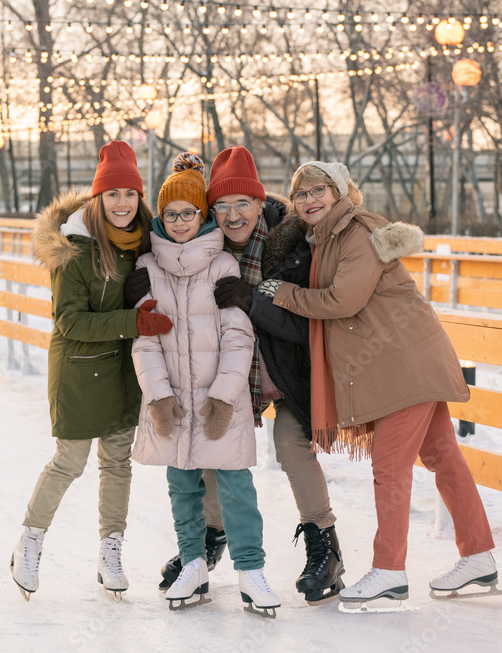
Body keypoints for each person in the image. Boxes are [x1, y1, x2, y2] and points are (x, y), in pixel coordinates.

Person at [260, 160, 497, 608]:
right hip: (405, 358)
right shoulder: (328, 235)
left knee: (389, 467)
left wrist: (279, 292)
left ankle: (388, 570)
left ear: (340, 191)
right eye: (301, 194)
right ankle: (479, 553)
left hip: (405, 361)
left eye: (318, 191)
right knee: (442, 456)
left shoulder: (357, 231)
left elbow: (343, 300)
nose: (309, 200)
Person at [128, 146, 346, 603]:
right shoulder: (211, 247)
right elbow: (169, 245)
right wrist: (136, 279)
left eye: (241, 203)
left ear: (258, 202)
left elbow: (311, 323)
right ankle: (211, 535)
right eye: (221, 206)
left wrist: (254, 300)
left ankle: (323, 544)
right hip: (234, 372)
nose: (231, 215)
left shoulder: (292, 247)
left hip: (290, 369)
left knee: (290, 445)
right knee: (210, 437)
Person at [11, 141, 174, 601]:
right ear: (97, 199)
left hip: (124, 370)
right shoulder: (75, 249)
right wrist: (134, 321)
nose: (122, 204)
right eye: (113, 194)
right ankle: (30, 540)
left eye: (130, 194)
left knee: (118, 463)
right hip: (81, 370)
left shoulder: (143, 240)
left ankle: (110, 551)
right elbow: (69, 321)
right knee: (70, 462)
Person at [131, 153, 280, 617]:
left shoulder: (223, 267)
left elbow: (239, 339)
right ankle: (193, 562)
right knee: (182, 484)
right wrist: (157, 396)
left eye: (189, 213)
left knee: (236, 484)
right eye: (171, 213)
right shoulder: (147, 271)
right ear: (161, 216)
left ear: (203, 216)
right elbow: (144, 342)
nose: (179, 222)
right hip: (172, 400)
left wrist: (223, 397)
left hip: (220, 400)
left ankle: (251, 570)